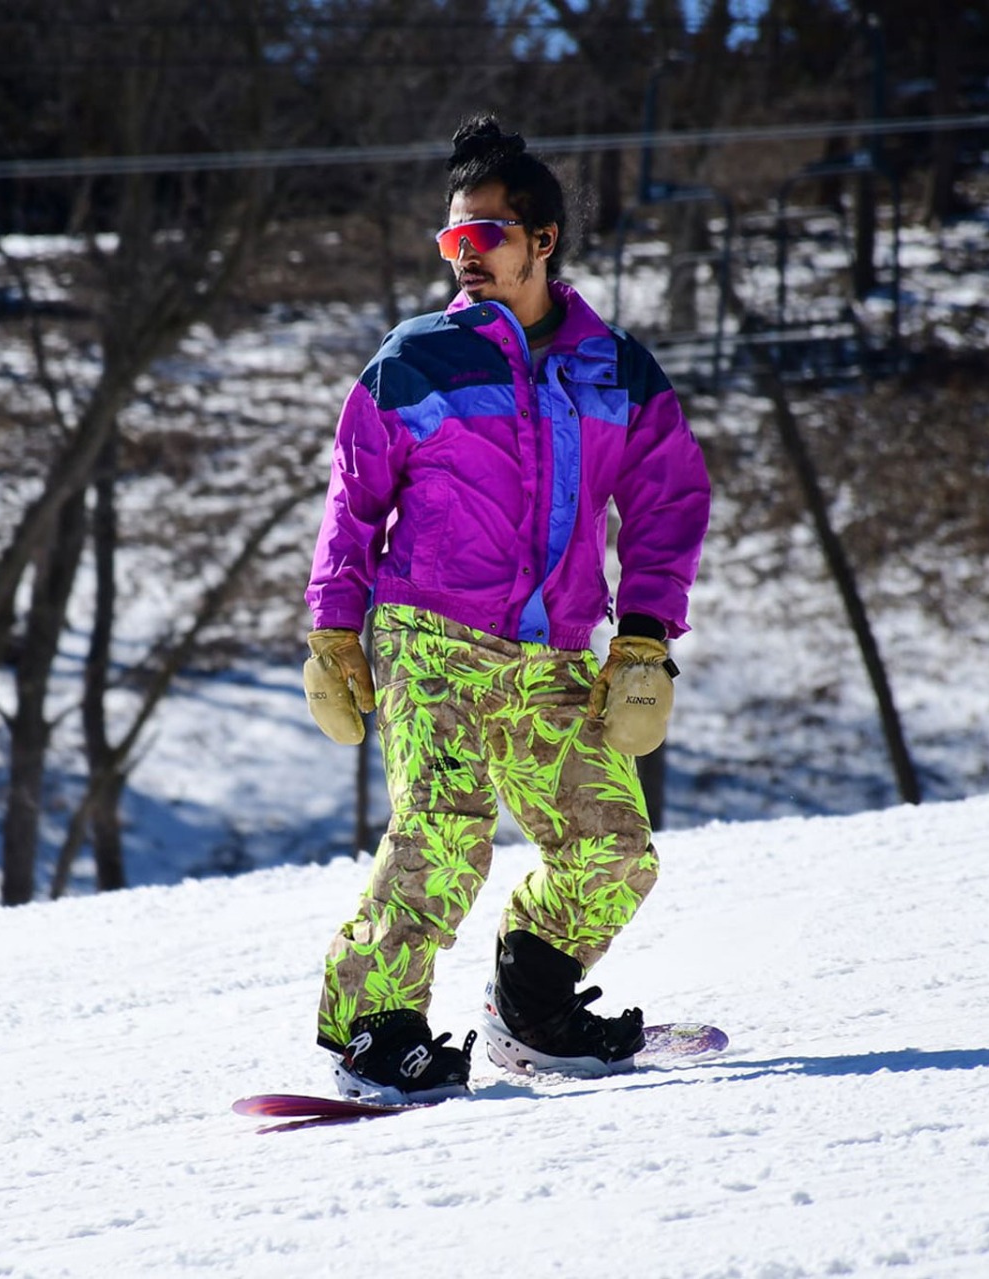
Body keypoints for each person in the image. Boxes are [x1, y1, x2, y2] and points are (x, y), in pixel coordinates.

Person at [301, 116, 712, 1103]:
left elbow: (669, 500)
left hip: (552, 649)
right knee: (443, 828)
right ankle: (373, 1029)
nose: (465, 253)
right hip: (429, 633)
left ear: (542, 241)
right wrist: (333, 626)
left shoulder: (616, 370)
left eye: (485, 233)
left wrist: (644, 636)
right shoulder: (418, 359)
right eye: (453, 236)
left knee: (612, 847)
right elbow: (354, 498)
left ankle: (532, 1010)